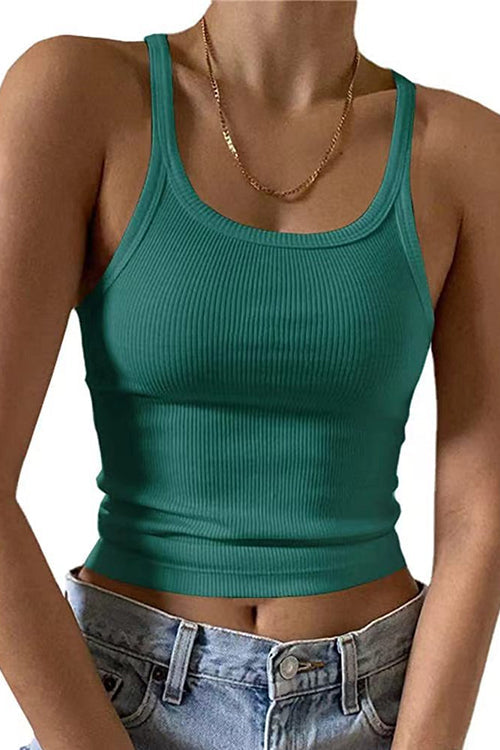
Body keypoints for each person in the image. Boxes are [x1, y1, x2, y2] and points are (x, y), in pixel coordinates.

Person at [1, 1, 499, 749]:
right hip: (116, 710)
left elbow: (480, 514)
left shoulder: (466, 151)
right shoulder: (79, 94)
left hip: (378, 710)